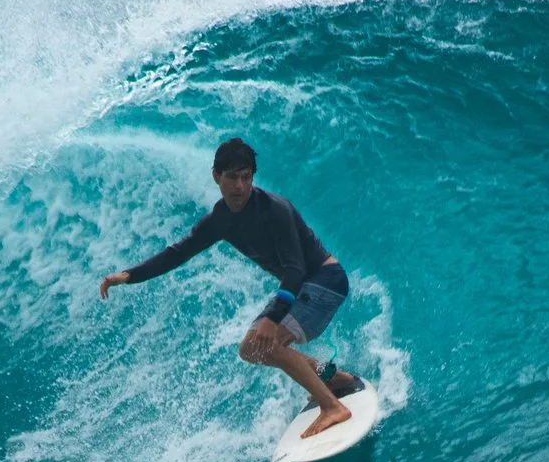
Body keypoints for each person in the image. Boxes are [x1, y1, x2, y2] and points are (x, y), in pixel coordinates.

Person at [99, 137, 365, 437]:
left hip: (324, 282)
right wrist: (129, 275)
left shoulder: (275, 209)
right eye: (231, 177)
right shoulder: (220, 220)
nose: (239, 186)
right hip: (302, 287)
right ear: (216, 176)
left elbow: (295, 268)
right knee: (251, 349)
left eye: (246, 177)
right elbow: (177, 253)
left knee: (269, 344)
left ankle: (333, 407)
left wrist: (272, 317)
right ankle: (334, 378)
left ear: (252, 177)